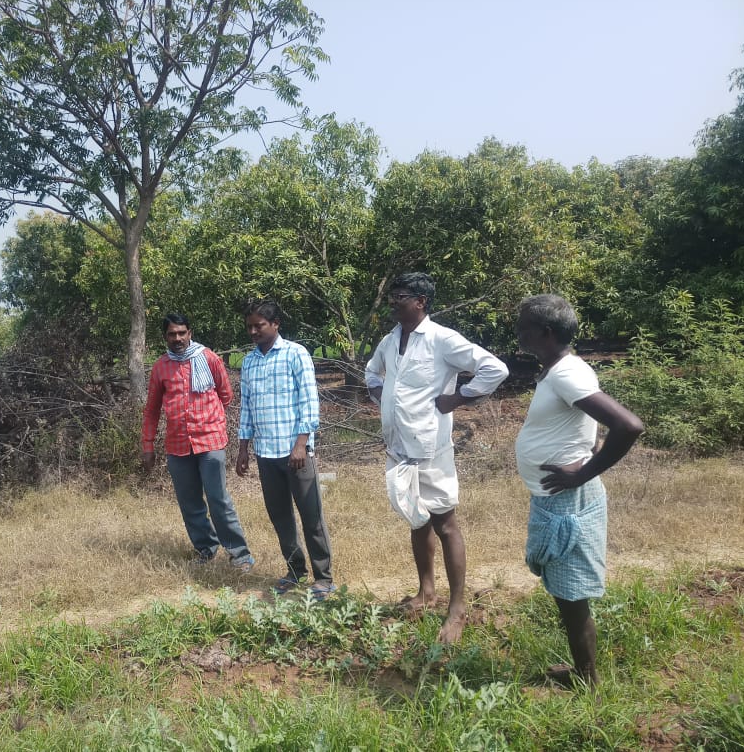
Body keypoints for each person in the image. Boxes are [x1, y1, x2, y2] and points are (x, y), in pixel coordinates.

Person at [365, 273, 509, 643]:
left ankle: (457, 608)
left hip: (430, 447)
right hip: (399, 447)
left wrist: (457, 398)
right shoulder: (390, 340)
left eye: (401, 296)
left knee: (445, 523)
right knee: (417, 520)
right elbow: (371, 373)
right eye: (393, 295)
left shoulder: (442, 340)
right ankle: (426, 592)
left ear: (421, 302)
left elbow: (495, 368)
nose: (394, 301)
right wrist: (384, 399)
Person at [514, 294, 643, 687]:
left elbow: (629, 426)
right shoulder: (561, 369)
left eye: (524, 326)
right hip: (556, 499)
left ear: (545, 333)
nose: (518, 332)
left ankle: (587, 682)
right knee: (567, 593)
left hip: (567, 501)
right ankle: (583, 674)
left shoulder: (566, 374)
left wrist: (582, 473)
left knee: (572, 598)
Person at [235, 300, 335, 600]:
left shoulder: (296, 354)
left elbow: (309, 402)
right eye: (250, 327)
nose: (253, 331)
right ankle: (295, 571)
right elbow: (247, 408)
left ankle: (323, 577)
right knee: (280, 516)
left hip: (296, 453)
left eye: (259, 326)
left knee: (310, 515)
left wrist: (301, 444)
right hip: (266, 453)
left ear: (276, 324)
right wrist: (243, 448)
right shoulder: (249, 361)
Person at [142, 313, 255, 571]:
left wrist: (208, 419)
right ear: (165, 337)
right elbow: (151, 410)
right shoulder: (161, 367)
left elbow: (225, 396)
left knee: (218, 499)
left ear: (190, 333)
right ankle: (206, 548)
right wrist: (147, 445)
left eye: (182, 333)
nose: (178, 338)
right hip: (178, 444)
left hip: (210, 440)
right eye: (172, 334)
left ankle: (240, 554)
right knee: (189, 501)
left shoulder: (209, 358)